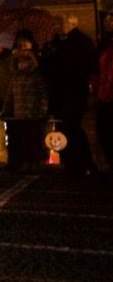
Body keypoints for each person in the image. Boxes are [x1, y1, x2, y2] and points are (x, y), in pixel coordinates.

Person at [43, 15, 98, 177]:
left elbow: (82, 66)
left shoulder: (79, 42)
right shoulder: (58, 43)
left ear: (70, 24)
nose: (58, 27)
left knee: (72, 127)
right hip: (62, 93)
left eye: (61, 24)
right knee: (64, 129)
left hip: (73, 91)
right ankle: (71, 163)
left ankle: (83, 163)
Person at [2, 30, 48, 171]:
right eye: (20, 62)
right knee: (22, 140)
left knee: (33, 139)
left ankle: (34, 161)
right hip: (19, 114)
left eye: (25, 62)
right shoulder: (15, 78)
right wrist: (6, 110)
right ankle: (24, 161)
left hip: (32, 114)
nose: (22, 64)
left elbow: (43, 95)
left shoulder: (35, 77)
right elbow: (9, 96)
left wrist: (42, 111)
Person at [94, 11, 113, 174]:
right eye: (107, 21)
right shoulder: (103, 42)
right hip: (103, 91)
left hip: (108, 90)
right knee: (103, 128)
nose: (108, 23)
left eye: (111, 21)